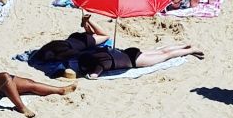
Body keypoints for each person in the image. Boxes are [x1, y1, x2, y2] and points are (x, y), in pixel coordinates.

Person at [75, 42, 204, 78]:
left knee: (165, 56)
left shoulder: (100, 65)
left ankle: (190, 50)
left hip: (135, 61)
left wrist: (85, 74)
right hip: (130, 52)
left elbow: (93, 76)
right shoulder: (99, 53)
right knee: (161, 51)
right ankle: (183, 45)